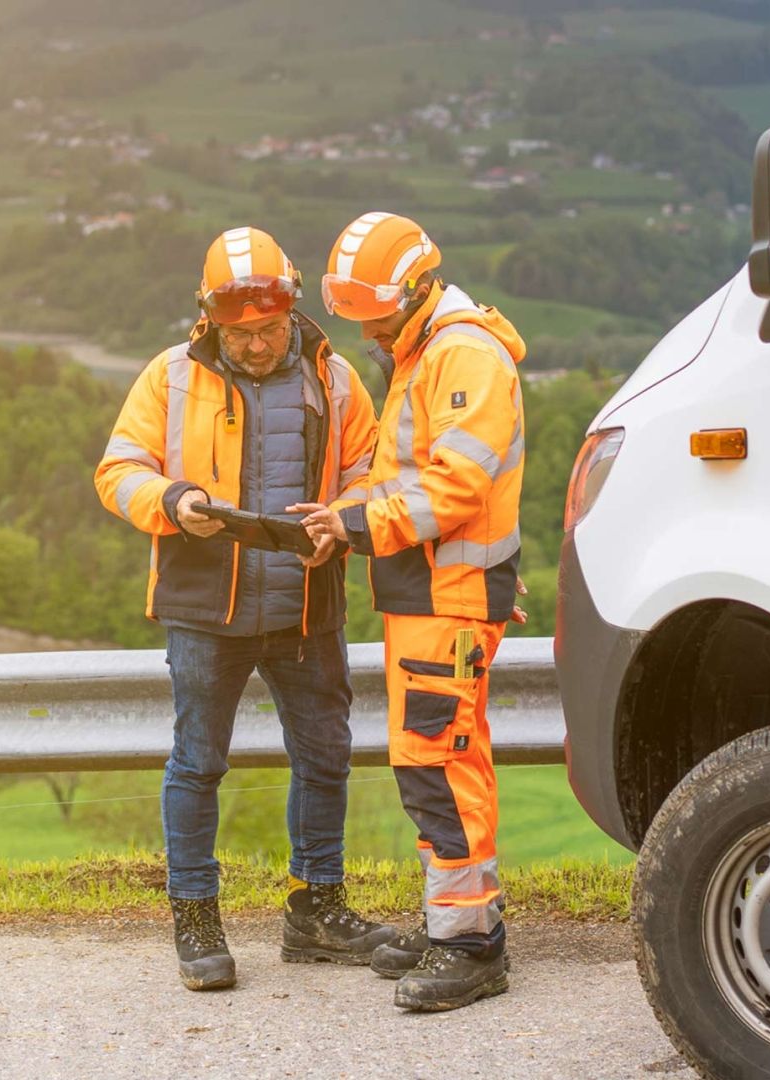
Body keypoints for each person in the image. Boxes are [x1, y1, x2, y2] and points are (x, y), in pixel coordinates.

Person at [94, 226, 394, 992]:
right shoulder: (169, 379)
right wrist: (172, 499)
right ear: (210, 320)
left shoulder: (335, 381)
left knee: (325, 759)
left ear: (291, 310)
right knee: (198, 765)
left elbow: (369, 475)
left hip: (306, 604)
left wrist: (342, 523)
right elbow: (117, 469)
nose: (257, 346)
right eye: (240, 333)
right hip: (203, 608)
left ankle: (316, 910)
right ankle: (196, 918)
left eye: (268, 330)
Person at [294, 211, 527, 1012]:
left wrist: (354, 523)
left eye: (378, 313)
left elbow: (457, 487)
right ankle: (460, 927)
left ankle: (469, 948)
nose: (368, 329)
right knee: (437, 758)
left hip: (443, 599)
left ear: (421, 289)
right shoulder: (426, 349)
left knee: (437, 764)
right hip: (433, 596)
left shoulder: (460, 354)